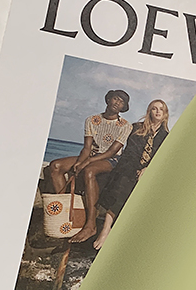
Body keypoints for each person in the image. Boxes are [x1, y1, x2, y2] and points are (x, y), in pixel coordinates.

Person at [47, 89, 133, 244]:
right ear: (108, 99)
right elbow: (87, 148)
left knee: (89, 171)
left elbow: (112, 152)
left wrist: (86, 162)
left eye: (121, 102)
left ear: (123, 107)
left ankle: (90, 225)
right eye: (115, 98)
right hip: (92, 156)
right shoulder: (92, 120)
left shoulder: (125, 125)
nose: (117, 103)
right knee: (55, 166)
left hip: (112, 160)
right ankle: (66, 213)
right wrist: (80, 162)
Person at [93, 99, 170, 250]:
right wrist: (136, 170)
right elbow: (130, 153)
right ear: (149, 111)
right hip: (129, 167)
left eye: (161, 109)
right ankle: (106, 229)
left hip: (149, 172)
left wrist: (147, 169)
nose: (158, 111)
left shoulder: (166, 136)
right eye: (154, 108)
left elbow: (162, 158)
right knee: (124, 183)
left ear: (165, 113)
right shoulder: (137, 128)